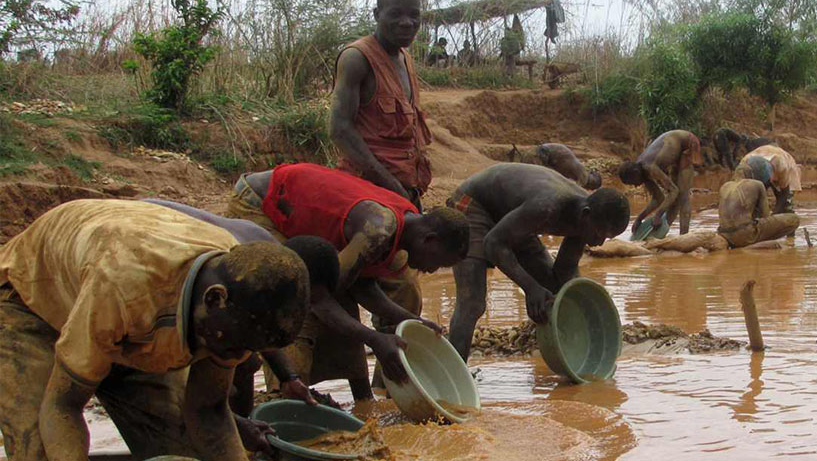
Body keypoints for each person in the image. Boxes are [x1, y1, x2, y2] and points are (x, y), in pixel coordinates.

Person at [0, 199, 311, 460]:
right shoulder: (124, 289)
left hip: (122, 318)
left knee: (183, 450)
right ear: (214, 298)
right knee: (38, 449)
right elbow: (62, 406)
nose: (239, 356)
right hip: (30, 301)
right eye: (235, 348)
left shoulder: (236, 304)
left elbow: (209, 412)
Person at [228, 163, 469, 396]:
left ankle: (363, 402)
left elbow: (363, 284)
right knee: (292, 295)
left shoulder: (406, 224)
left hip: (299, 201)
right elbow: (319, 300)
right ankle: (285, 397)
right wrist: (374, 339)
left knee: (342, 295)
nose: (432, 270)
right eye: (438, 262)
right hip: (262, 201)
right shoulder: (378, 230)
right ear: (429, 240)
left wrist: (412, 321)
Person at [145, 199, 333, 451]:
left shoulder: (270, 264)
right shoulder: (247, 268)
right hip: (150, 246)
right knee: (170, 408)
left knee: (243, 360)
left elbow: (257, 333)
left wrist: (288, 377)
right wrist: (230, 423)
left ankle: (238, 430)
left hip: (184, 250)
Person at [446, 163, 630, 360]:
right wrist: (530, 288)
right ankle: (454, 377)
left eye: (607, 238)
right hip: (475, 204)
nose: (599, 242)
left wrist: (583, 308)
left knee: (553, 290)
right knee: (472, 303)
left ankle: (555, 359)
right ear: (585, 215)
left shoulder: (587, 217)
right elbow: (493, 243)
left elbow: (565, 272)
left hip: (516, 216)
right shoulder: (547, 207)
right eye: (600, 233)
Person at [330, 0, 432, 211]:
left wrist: (407, 192)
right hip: (365, 191)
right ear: (377, 15)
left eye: (414, 15)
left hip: (404, 190)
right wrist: (393, 187)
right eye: (396, 14)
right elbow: (340, 130)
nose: (407, 22)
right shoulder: (356, 58)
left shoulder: (405, 57)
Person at [618, 129, 703, 236]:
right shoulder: (643, 173)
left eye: (633, 182)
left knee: (683, 194)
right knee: (674, 199)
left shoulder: (650, 167)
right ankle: (662, 233)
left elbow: (673, 191)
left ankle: (684, 236)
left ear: (635, 173)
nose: (635, 186)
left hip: (688, 144)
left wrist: (658, 215)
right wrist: (639, 218)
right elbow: (658, 199)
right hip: (675, 149)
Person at [716, 179, 800, 248]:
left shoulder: (725, 186)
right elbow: (765, 216)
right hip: (746, 235)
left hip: (724, 234)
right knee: (794, 219)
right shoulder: (757, 184)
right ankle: (753, 246)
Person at [733, 145, 802, 214]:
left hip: (785, 163)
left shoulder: (782, 166)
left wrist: (774, 214)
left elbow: (784, 193)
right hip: (761, 157)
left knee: (786, 205)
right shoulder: (744, 165)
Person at [536, 143, 602, 190]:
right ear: (592, 183)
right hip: (547, 151)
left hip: (546, 150)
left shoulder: (578, 172)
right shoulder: (583, 176)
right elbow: (577, 190)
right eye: (591, 188)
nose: (588, 189)